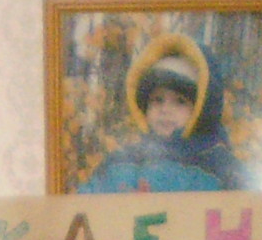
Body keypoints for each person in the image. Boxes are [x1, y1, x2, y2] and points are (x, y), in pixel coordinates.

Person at [77, 35, 242, 193]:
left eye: (180, 102)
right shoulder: (120, 164)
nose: (165, 110)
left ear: (202, 109)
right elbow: (86, 202)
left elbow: (247, 206)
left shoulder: (220, 168)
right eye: (157, 100)